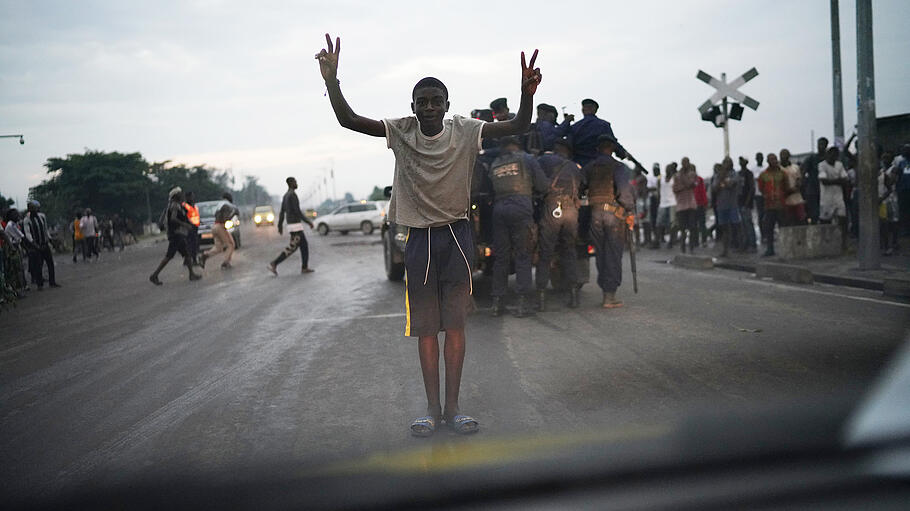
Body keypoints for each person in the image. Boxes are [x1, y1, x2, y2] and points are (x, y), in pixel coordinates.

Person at [316, 33, 541, 436]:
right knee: (425, 329)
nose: (430, 107)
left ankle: (454, 409)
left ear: (448, 105)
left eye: (437, 100)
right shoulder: (401, 131)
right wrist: (332, 82)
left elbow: (520, 124)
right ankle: (431, 409)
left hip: (456, 236)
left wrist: (526, 93)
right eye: (423, 102)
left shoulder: (466, 130)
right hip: (418, 238)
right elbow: (348, 120)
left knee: (454, 326)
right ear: (413, 108)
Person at [488, 136, 548, 317]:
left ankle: (497, 304)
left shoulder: (495, 164)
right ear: (518, 144)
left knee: (501, 258)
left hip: (499, 210)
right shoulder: (527, 159)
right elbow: (543, 185)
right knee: (523, 255)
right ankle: (522, 303)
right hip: (521, 208)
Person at [581, 134, 635, 308]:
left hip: (595, 214)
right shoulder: (618, 167)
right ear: (612, 148)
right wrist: (630, 211)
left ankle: (606, 291)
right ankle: (609, 296)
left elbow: (581, 187)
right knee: (613, 254)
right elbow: (624, 192)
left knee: (601, 254)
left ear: (597, 148)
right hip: (613, 215)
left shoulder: (589, 167)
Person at [535, 138, 582, 311]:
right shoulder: (574, 167)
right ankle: (574, 296)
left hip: (552, 208)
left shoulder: (544, 160)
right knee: (569, 251)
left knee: (546, 252)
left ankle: (541, 298)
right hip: (571, 209)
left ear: (556, 148)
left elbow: (537, 182)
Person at [149, 187, 202, 285]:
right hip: (176, 234)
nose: (182, 195)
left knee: (186, 254)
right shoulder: (174, 206)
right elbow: (173, 219)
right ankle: (154, 275)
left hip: (178, 234)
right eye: (179, 194)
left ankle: (191, 274)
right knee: (169, 256)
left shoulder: (176, 205)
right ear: (175, 196)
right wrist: (185, 224)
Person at [268, 177, 315, 275]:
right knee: (292, 248)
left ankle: (304, 267)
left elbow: (282, 212)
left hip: (292, 225)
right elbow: (297, 211)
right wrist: (308, 222)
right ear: (291, 183)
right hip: (295, 226)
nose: (297, 184)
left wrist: (280, 226)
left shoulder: (285, 196)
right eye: (295, 182)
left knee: (303, 246)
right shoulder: (292, 195)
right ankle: (274, 263)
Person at [567, 98, 624, 167]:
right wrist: (622, 153)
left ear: (583, 110)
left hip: (578, 164)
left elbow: (568, 145)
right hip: (599, 163)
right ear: (595, 110)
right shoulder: (603, 125)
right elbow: (612, 142)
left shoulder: (574, 127)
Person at [22, 200, 60, 289]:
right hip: (36, 245)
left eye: (34, 208)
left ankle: (52, 282)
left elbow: (45, 229)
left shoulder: (42, 216)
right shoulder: (26, 220)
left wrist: (49, 239)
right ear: (29, 209)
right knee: (38, 265)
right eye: (31, 208)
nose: (33, 210)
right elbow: (28, 234)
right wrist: (34, 244)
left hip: (44, 243)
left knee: (50, 263)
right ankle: (40, 284)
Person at [757, 153, 789, 257]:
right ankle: (770, 249)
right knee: (769, 228)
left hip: (781, 205)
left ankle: (784, 249)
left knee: (782, 228)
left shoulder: (783, 173)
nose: (774, 161)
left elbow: (786, 187)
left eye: (775, 159)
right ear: (768, 161)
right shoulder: (763, 175)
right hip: (769, 205)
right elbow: (761, 188)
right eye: (771, 159)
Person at [818, 146, 849, 252]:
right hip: (826, 198)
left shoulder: (839, 165)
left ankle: (843, 243)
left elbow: (845, 179)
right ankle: (825, 244)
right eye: (831, 154)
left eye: (836, 155)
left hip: (838, 197)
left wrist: (834, 180)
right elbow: (824, 181)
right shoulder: (822, 165)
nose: (833, 157)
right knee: (825, 221)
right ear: (827, 154)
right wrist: (838, 180)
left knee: (843, 219)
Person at [712, 158, 742, 258]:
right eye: (725, 163)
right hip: (721, 205)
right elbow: (715, 188)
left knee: (736, 226)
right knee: (724, 228)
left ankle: (740, 247)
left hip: (732, 205)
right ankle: (725, 250)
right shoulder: (718, 176)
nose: (726, 165)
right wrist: (721, 178)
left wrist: (724, 181)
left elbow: (730, 184)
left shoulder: (734, 174)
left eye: (728, 163)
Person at [202, 192, 239, 270]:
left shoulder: (219, 205)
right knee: (230, 244)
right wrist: (232, 216)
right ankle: (226, 262)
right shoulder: (227, 205)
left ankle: (206, 255)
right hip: (220, 226)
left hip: (215, 226)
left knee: (218, 247)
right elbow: (225, 218)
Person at [672, 157, 698, 253]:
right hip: (681, 205)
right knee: (682, 228)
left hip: (691, 204)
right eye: (684, 163)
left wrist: (683, 184)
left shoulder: (692, 174)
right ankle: (683, 248)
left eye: (687, 163)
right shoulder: (677, 175)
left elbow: (693, 184)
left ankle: (691, 248)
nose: (685, 165)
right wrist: (685, 185)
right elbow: (675, 189)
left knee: (692, 227)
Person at [801, 137, 829, 224]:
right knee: (814, 214)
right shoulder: (811, 158)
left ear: (826, 146)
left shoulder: (829, 158)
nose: (820, 146)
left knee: (826, 214)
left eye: (822, 144)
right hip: (813, 189)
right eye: (819, 144)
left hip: (826, 189)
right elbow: (803, 171)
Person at [3, 208, 29, 295]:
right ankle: (17, 291)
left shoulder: (14, 224)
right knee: (15, 269)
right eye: (15, 214)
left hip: (15, 246)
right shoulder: (10, 225)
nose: (17, 216)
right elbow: (20, 236)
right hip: (12, 248)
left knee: (19, 268)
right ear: (11, 216)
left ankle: (20, 289)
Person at [879, 152, 900, 255]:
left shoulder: (894, 169)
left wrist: (884, 177)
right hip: (883, 198)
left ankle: (895, 241)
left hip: (892, 198)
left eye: (887, 158)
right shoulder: (881, 171)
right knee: (885, 222)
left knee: (894, 220)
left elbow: (891, 182)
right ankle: (885, 244)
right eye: (883, 158)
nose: (884, 160)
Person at [780, 149, 806, 226]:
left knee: (801, 219)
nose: (783, 157)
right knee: (788, 220)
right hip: (785, 199)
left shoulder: (795, 167)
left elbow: (799, 179)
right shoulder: (778, 169)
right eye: (782, 155)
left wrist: (796, 188)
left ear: (789, 156)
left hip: (797, 197)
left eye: (785, 155)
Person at [654, 162, 677, 248]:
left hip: (672, 202)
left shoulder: (674, 178)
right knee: (659, 223)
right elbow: (658, 190)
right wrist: (659, 200)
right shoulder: (661, 178)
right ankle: (657, 241)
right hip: (663, 203)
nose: (668, 170)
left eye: (669, 169)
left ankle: (671, 242)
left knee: (672, 223)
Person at [737, 156, 757, 252]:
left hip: (746, 202)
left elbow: (751, 188)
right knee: (742, 225)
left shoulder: (748, 174)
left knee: (748, 224)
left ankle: (752, 245)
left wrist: (747, 202)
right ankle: (744, 244)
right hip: (739, 202)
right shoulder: (738, 174)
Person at [893, 144, 910, 237]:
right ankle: (905, 229)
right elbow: (898, 175)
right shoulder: (901, 163)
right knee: (904, 210)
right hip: (903, 190)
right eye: (904, 150)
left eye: (907, 150)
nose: (906, 152)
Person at [750, 152, 766, 244]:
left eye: (761, 157)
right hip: (758, 195)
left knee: (767, 215)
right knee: (760, 215)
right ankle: (763, 234)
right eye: (758, 157)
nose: (760, 159)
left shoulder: (765, 168)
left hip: (766, 195)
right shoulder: (753, 169)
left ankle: (767, 233)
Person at [184, 191, 201, 266]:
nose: (192, 198)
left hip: (195, 227)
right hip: (188, 228)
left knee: (194, 244)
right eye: (191, 196)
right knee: (190, 245)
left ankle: (189, 260)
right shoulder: (185, 206)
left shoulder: (194, 205)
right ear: (187, 197)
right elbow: (184, 217)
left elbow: (195, 215)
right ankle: (192, 260)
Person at [693, 167, 709, 248]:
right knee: (695, 224)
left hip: (699, 204)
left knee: (701, 224)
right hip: (693, 205)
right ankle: (697, 241)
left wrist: (705, 203)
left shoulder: (699, 180)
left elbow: (703, 192)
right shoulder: (689, 181)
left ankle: (703, 241)